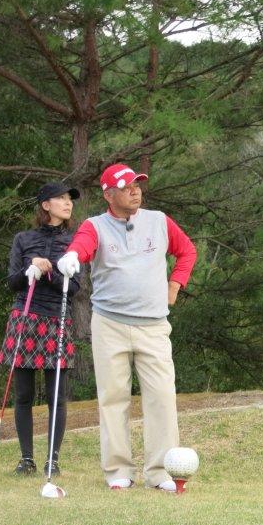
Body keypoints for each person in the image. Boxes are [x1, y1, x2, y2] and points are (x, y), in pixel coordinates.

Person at [57, 163, 196, 491]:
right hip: (110, 324)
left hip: (153, 326)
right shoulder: (95, 225)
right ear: (108, 195)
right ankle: (118, 471)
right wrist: (72, 256)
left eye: (137, 185)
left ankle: (160, 473)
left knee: (161, 398)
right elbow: (83, 245)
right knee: (113, 398)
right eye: (126, 187)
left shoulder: (159, 221)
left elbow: (187, 251)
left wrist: (175, 284)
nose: (135, 191)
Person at [0, 182, 82, 476]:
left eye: (70, 199)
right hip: (25, 317)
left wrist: (52, 273)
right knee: (23, 394)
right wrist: (30, 269)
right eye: (61, 198)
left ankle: (52, 460)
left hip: (57, 318)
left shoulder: (74, 243)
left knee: (56, 396)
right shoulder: (23, 239)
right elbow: (12, 282)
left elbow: (74, 289)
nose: (68, 203)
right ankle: (27, 459)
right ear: (46, 205)